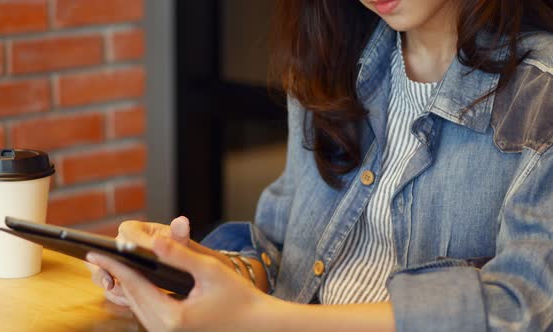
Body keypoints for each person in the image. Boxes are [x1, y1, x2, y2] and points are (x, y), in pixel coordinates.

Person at [87, 0, 553, 331]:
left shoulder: (538, 97)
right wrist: (192, 269)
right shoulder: (332, 61)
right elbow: (281, 246)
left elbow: (521, 309)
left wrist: (262, 321)